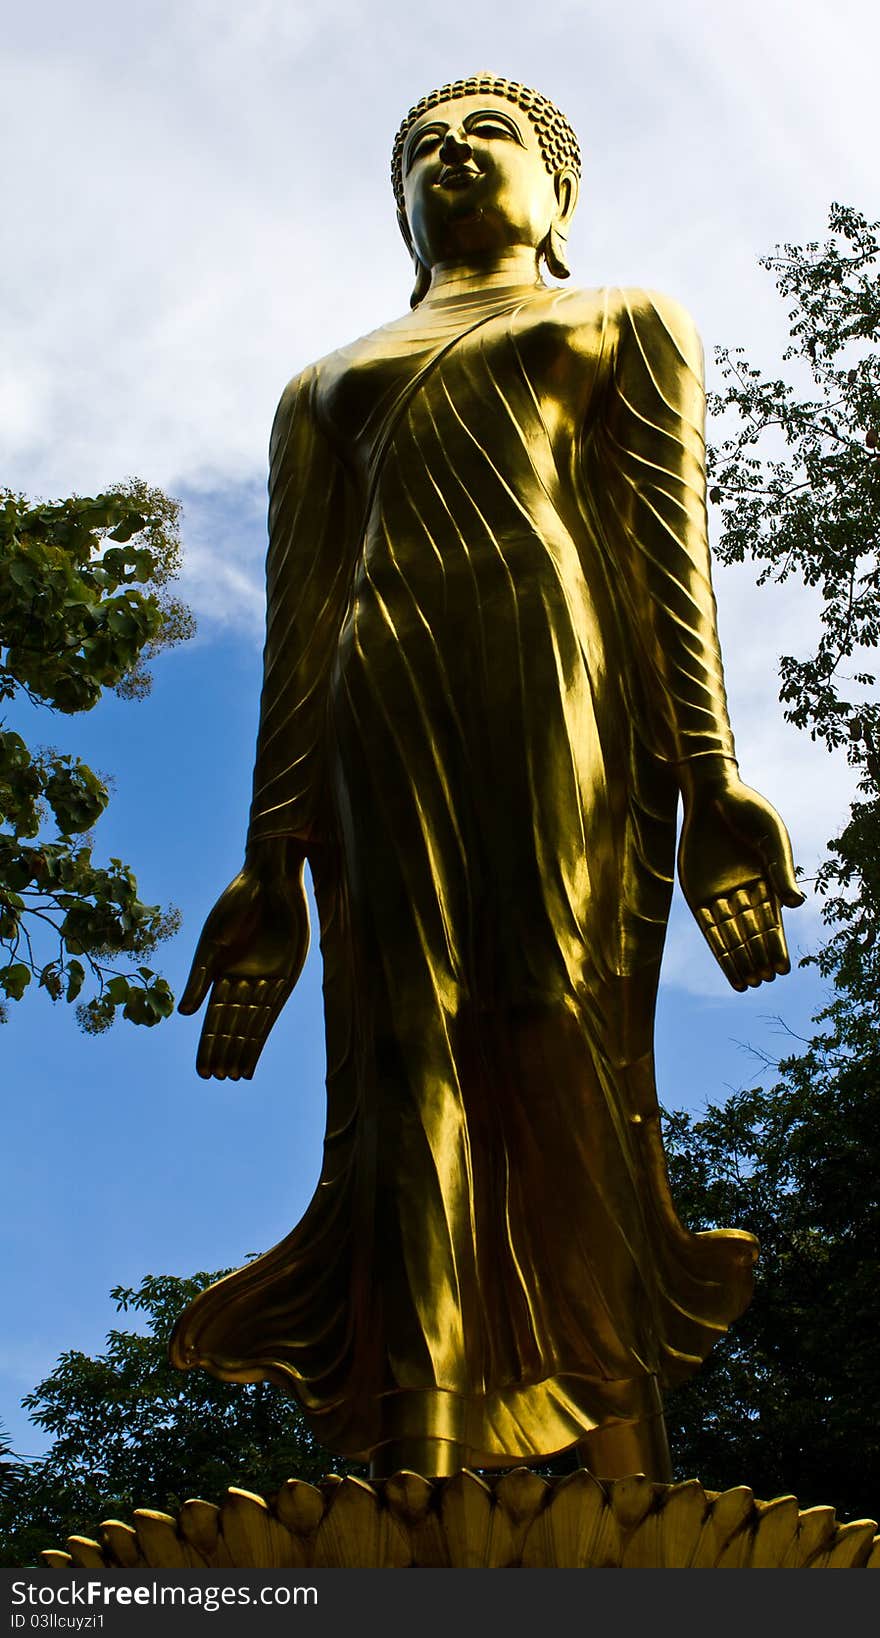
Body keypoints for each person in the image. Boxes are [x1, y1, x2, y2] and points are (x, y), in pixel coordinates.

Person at [171, 75, 803, 1481]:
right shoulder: (325, 384)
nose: (453, 158)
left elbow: (666, 554)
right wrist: (269, 859)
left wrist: (713, 778)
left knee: (552, 1019)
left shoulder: (617, 319)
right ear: (399, 205)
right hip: (375, 698)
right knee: (402, 1051)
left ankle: (615, 1423)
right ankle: (418, 1428)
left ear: (556, 192)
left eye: (488, 137)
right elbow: (297, 615)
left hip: (561, 675)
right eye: (424, 150)